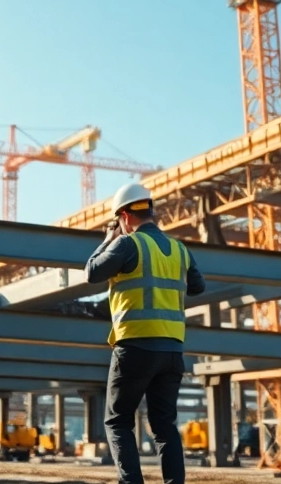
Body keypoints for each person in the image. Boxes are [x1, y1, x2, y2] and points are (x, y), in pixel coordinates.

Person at [86, 183, 205, 484]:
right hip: (172, 352)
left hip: (135, 347)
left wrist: (107, 240)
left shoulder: (128, 244)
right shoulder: (180, 249)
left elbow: (91, 272)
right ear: (150, 211)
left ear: (124, 217)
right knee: (165, 425)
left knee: (117, 421)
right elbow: (198, 287)